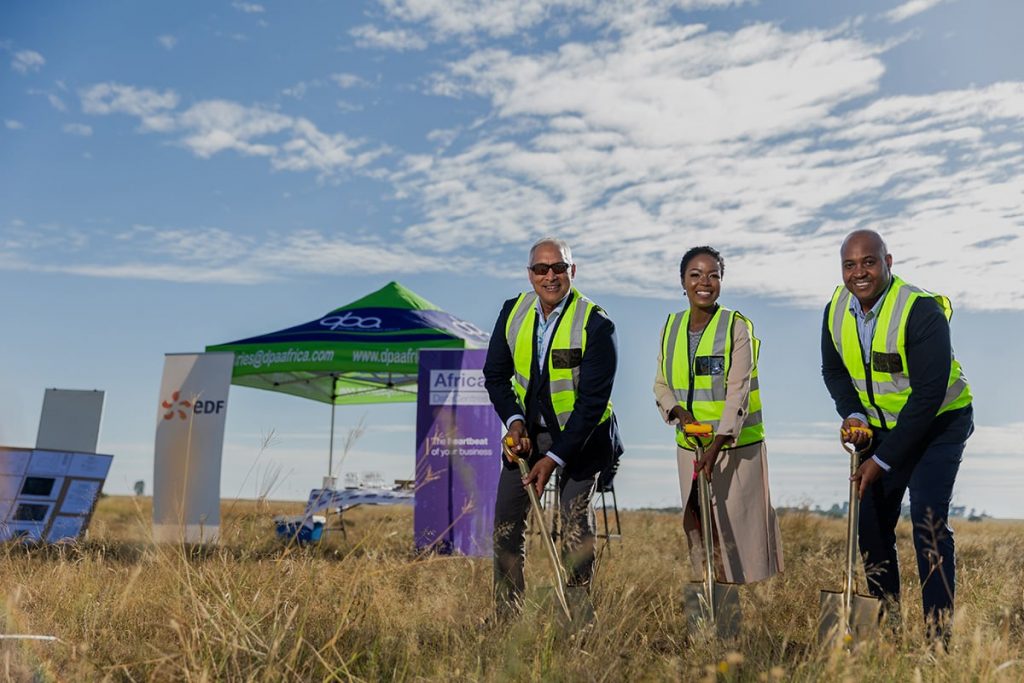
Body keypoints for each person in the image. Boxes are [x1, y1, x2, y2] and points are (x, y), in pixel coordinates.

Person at [821, 229, 973, 640]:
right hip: (882, 427)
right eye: (849, 265)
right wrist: (853, 414)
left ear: (888, 262)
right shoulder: (836, 308)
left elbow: (927, 395)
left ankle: (937, 641)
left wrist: (882, 461)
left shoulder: (921, 311)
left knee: (928, 522)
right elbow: (833, 371)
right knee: (869, 526)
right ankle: (885, 634)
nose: (859, 273)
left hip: (940, 422)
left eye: (868, 262)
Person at [483, 236, 623, 619]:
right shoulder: (513, 312)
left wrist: (555, 458)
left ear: (572, 272)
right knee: (506, 525)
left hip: (583, 437)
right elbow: (495, 375)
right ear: (530, 274)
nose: (550, 276)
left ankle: (577, 618)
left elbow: (592, 403)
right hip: (527, 437)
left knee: (575, 523)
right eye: (541, 269)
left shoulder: (597, 323)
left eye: (559, 268)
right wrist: (514, 423)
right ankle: (507, 615)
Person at [653, 246, 783, 587]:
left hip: (735, 450)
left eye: (713, 275)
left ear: (722, 281)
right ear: (683, 281)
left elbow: (738, 391)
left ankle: (743, 616)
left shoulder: (736, 328)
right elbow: (661, 383)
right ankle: (712, 611)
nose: (704, 282)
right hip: (691, 450)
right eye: (695, 275)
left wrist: (717, 445)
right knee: (700, 532)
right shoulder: (671, 327)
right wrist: (677, 411)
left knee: (740, 541)